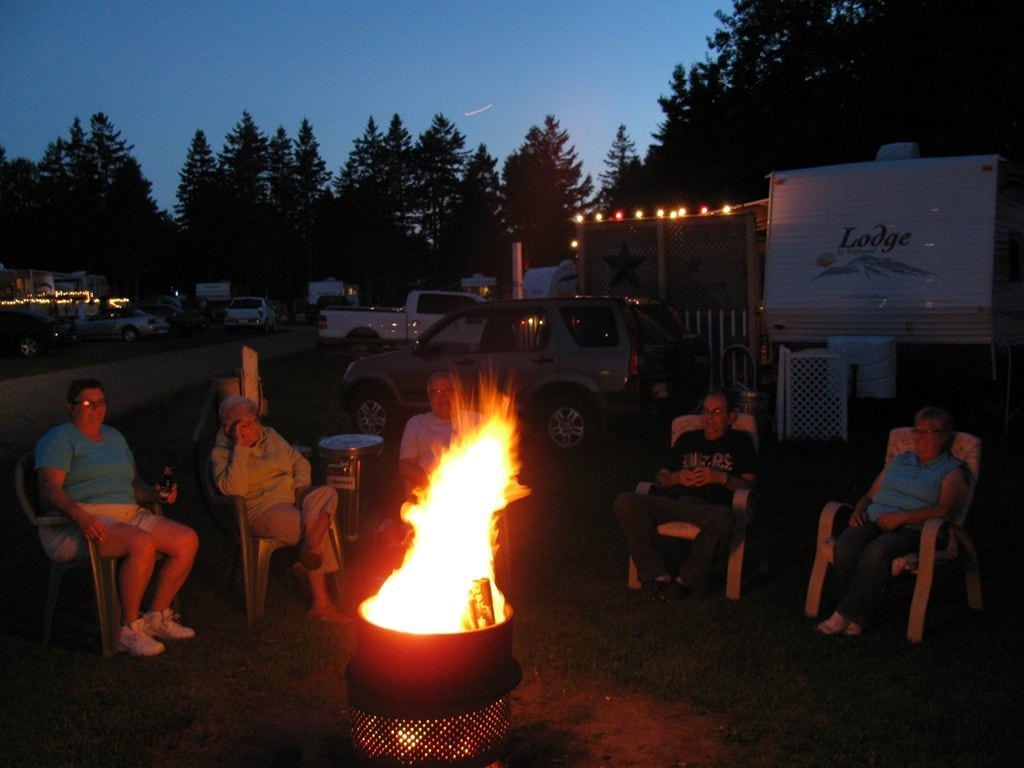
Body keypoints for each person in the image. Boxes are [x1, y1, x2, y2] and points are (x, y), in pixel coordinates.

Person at [34, 378, 199, 657]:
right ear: (70, 408)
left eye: (101, 403)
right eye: (87, 403)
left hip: (128, 514)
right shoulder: (60, 438)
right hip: (81, 520)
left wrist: (155, 493)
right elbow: (49, 488)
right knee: (141, 543)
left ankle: (157, 617)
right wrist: (80, 516)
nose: (96, 409)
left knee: (186, 540)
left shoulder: (114, 437)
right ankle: (128, 629)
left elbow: (133, 485)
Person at [816, 406, 966, 637]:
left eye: (928, 432)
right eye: (917, 431)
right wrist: (858, 512)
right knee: (846, 543)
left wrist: (902, 517)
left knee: (877, 551)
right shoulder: (900, 461)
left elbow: (943, 510)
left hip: (913, 529)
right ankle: (861, 615)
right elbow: (869, 495)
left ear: (944, 437)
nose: (919, 437)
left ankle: (842, 615)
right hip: (874, 518)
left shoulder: (951, 470)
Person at [210, 395, 349, 624]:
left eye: (254, 421)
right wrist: (241, 449)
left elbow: (300, 462)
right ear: (229, 428)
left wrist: (300, 488)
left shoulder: (271, 435)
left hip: (293, 498)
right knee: (313, 524)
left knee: (327, 493)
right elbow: (233, 490)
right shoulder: (222, 453)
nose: (254, 428)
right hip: (261, 509)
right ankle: (321, 602)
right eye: (245, 424)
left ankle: (309, 550)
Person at [614, 392, 758, 600]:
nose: (709, 418)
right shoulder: (687, 439)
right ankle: (655, 574)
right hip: (674, 504)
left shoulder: (740, 441)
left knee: (724, 519)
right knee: (625, 502)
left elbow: (748, 486)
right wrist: (676, 477)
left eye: (717, 412)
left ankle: (687, 579)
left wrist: (721, 477)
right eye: (706, 411)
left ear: (730, 417)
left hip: (709, 509)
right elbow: (660, 480)